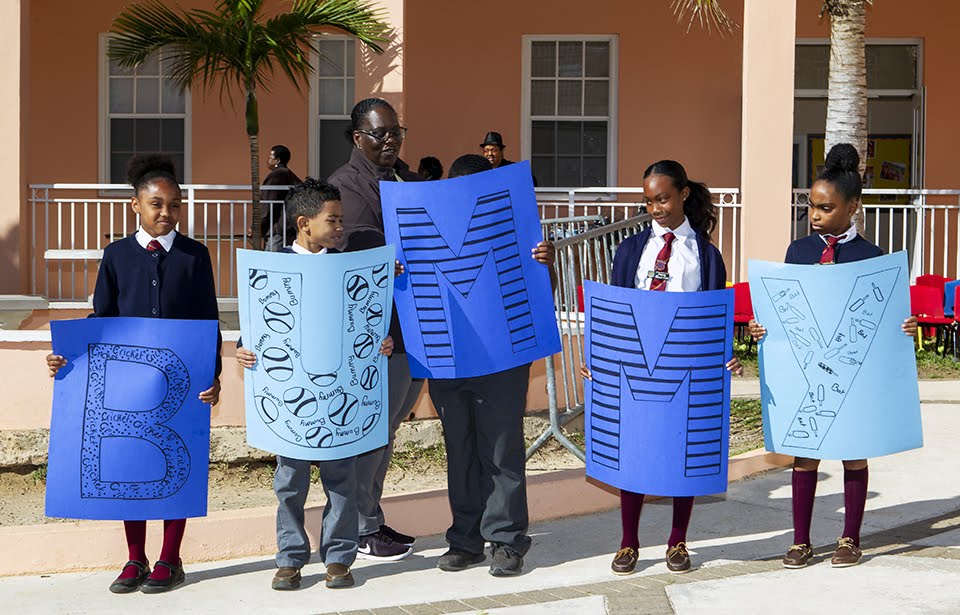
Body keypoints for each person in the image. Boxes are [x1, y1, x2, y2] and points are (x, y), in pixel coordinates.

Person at [45, 154, 222, 594]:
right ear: (135, 205)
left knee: (179, 462)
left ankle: (170, 558)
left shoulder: (195, 255)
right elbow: (102, 318)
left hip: (182, 383)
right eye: (157, 204)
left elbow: (208, 320)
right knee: (131, 463)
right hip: (129, 384)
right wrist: (68, 357)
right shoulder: (116, 255)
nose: (167, 213)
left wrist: (212, 374)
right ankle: (135, 557)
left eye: (175, 205)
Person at [749, 143, 918, 569]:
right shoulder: (798, 252)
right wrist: (761, 327)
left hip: (853, 371)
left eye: (825, 208)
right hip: (808, 369)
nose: (815, 215)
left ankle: (850, 538)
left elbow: (882, 317)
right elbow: (786, 309)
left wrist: (904, 327)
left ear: (853, 207)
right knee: (805, 454)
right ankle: (800, 541)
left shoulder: (872, 257)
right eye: (811, 206)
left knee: (853, 450)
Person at [581, 160, 742, 576]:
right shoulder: (630, 250)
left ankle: (677, 541)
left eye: (663, 199)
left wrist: (725, 354)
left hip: (684, 367)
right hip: (635, 365)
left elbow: (714, 316)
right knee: (633, 451)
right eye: (649, 201)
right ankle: (628, 542)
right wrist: (598, 356)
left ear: (683, 194)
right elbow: (615, 309)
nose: (655, 209)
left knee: (680, 452)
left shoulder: (706, 255)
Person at [236, 178, 395, 591]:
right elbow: (257, 325)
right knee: (290, 483)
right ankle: (290, 558)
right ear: (304, 223)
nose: (341, 226)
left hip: (338, 399)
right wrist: (242, 349)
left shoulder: (350, 270)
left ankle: (339, 558)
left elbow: (365, 321)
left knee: (341, 482)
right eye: (333, 219)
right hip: (291, 403)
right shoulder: (271, 268)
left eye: (341, 219)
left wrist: (382, 342)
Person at [425, 154, 556, 577]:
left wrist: (545, 266)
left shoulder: (516, 228)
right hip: (448, 361)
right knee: (460, 452)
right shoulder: (427, 229)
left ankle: (506, 540)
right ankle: (465, 540)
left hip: (502, 361)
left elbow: (539, 293)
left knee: (501, 451)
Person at [328, 98, 421, 561]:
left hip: (415, 325)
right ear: (357, 137)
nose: (391, 141)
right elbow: (358, 243)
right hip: (376, 331)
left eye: (396, 132)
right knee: (372, 429)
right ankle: (361, 528)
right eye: (380, 133)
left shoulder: (409, 179)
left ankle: (372, 518)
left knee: (389, 427)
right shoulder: (346, 185)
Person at [261, 145, 301, 251]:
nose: (268, 160)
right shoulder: (290, 175)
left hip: (278, 229)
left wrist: (259, 226)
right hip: (290, 228)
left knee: (272, 259)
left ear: (277, 160)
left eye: (270, 157)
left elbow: (269, 204)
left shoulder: (277, 175)